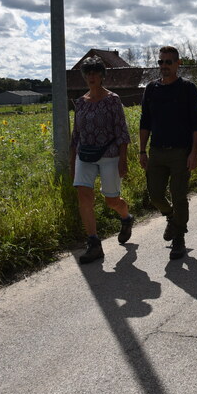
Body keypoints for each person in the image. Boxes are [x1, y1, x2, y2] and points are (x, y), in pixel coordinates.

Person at [138, 46, 197, 260]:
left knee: (179, 196)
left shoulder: (187, 88)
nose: (164, 66)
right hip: (156, 151)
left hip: (180, 153)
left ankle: (179, 239)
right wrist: (141, 150)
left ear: (178, 64)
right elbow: (145, 121)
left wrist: (194, 153)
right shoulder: (151, 89)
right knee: (155, 194)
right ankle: (172, 219)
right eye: (161, 62)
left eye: (168, 62)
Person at [70, 55, 133, 264]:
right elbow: (75, 135)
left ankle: (125, 217)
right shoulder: (81, 103)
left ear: (102, 76)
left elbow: (122, 133)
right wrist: (72, 163)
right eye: (88, 73)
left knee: (111, 200)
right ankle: (94, 242)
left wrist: (123, 160)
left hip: (109, 156)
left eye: (96, 72)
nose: (91, 76)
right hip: (85, 156)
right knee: (83, 196)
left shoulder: (113, 100)